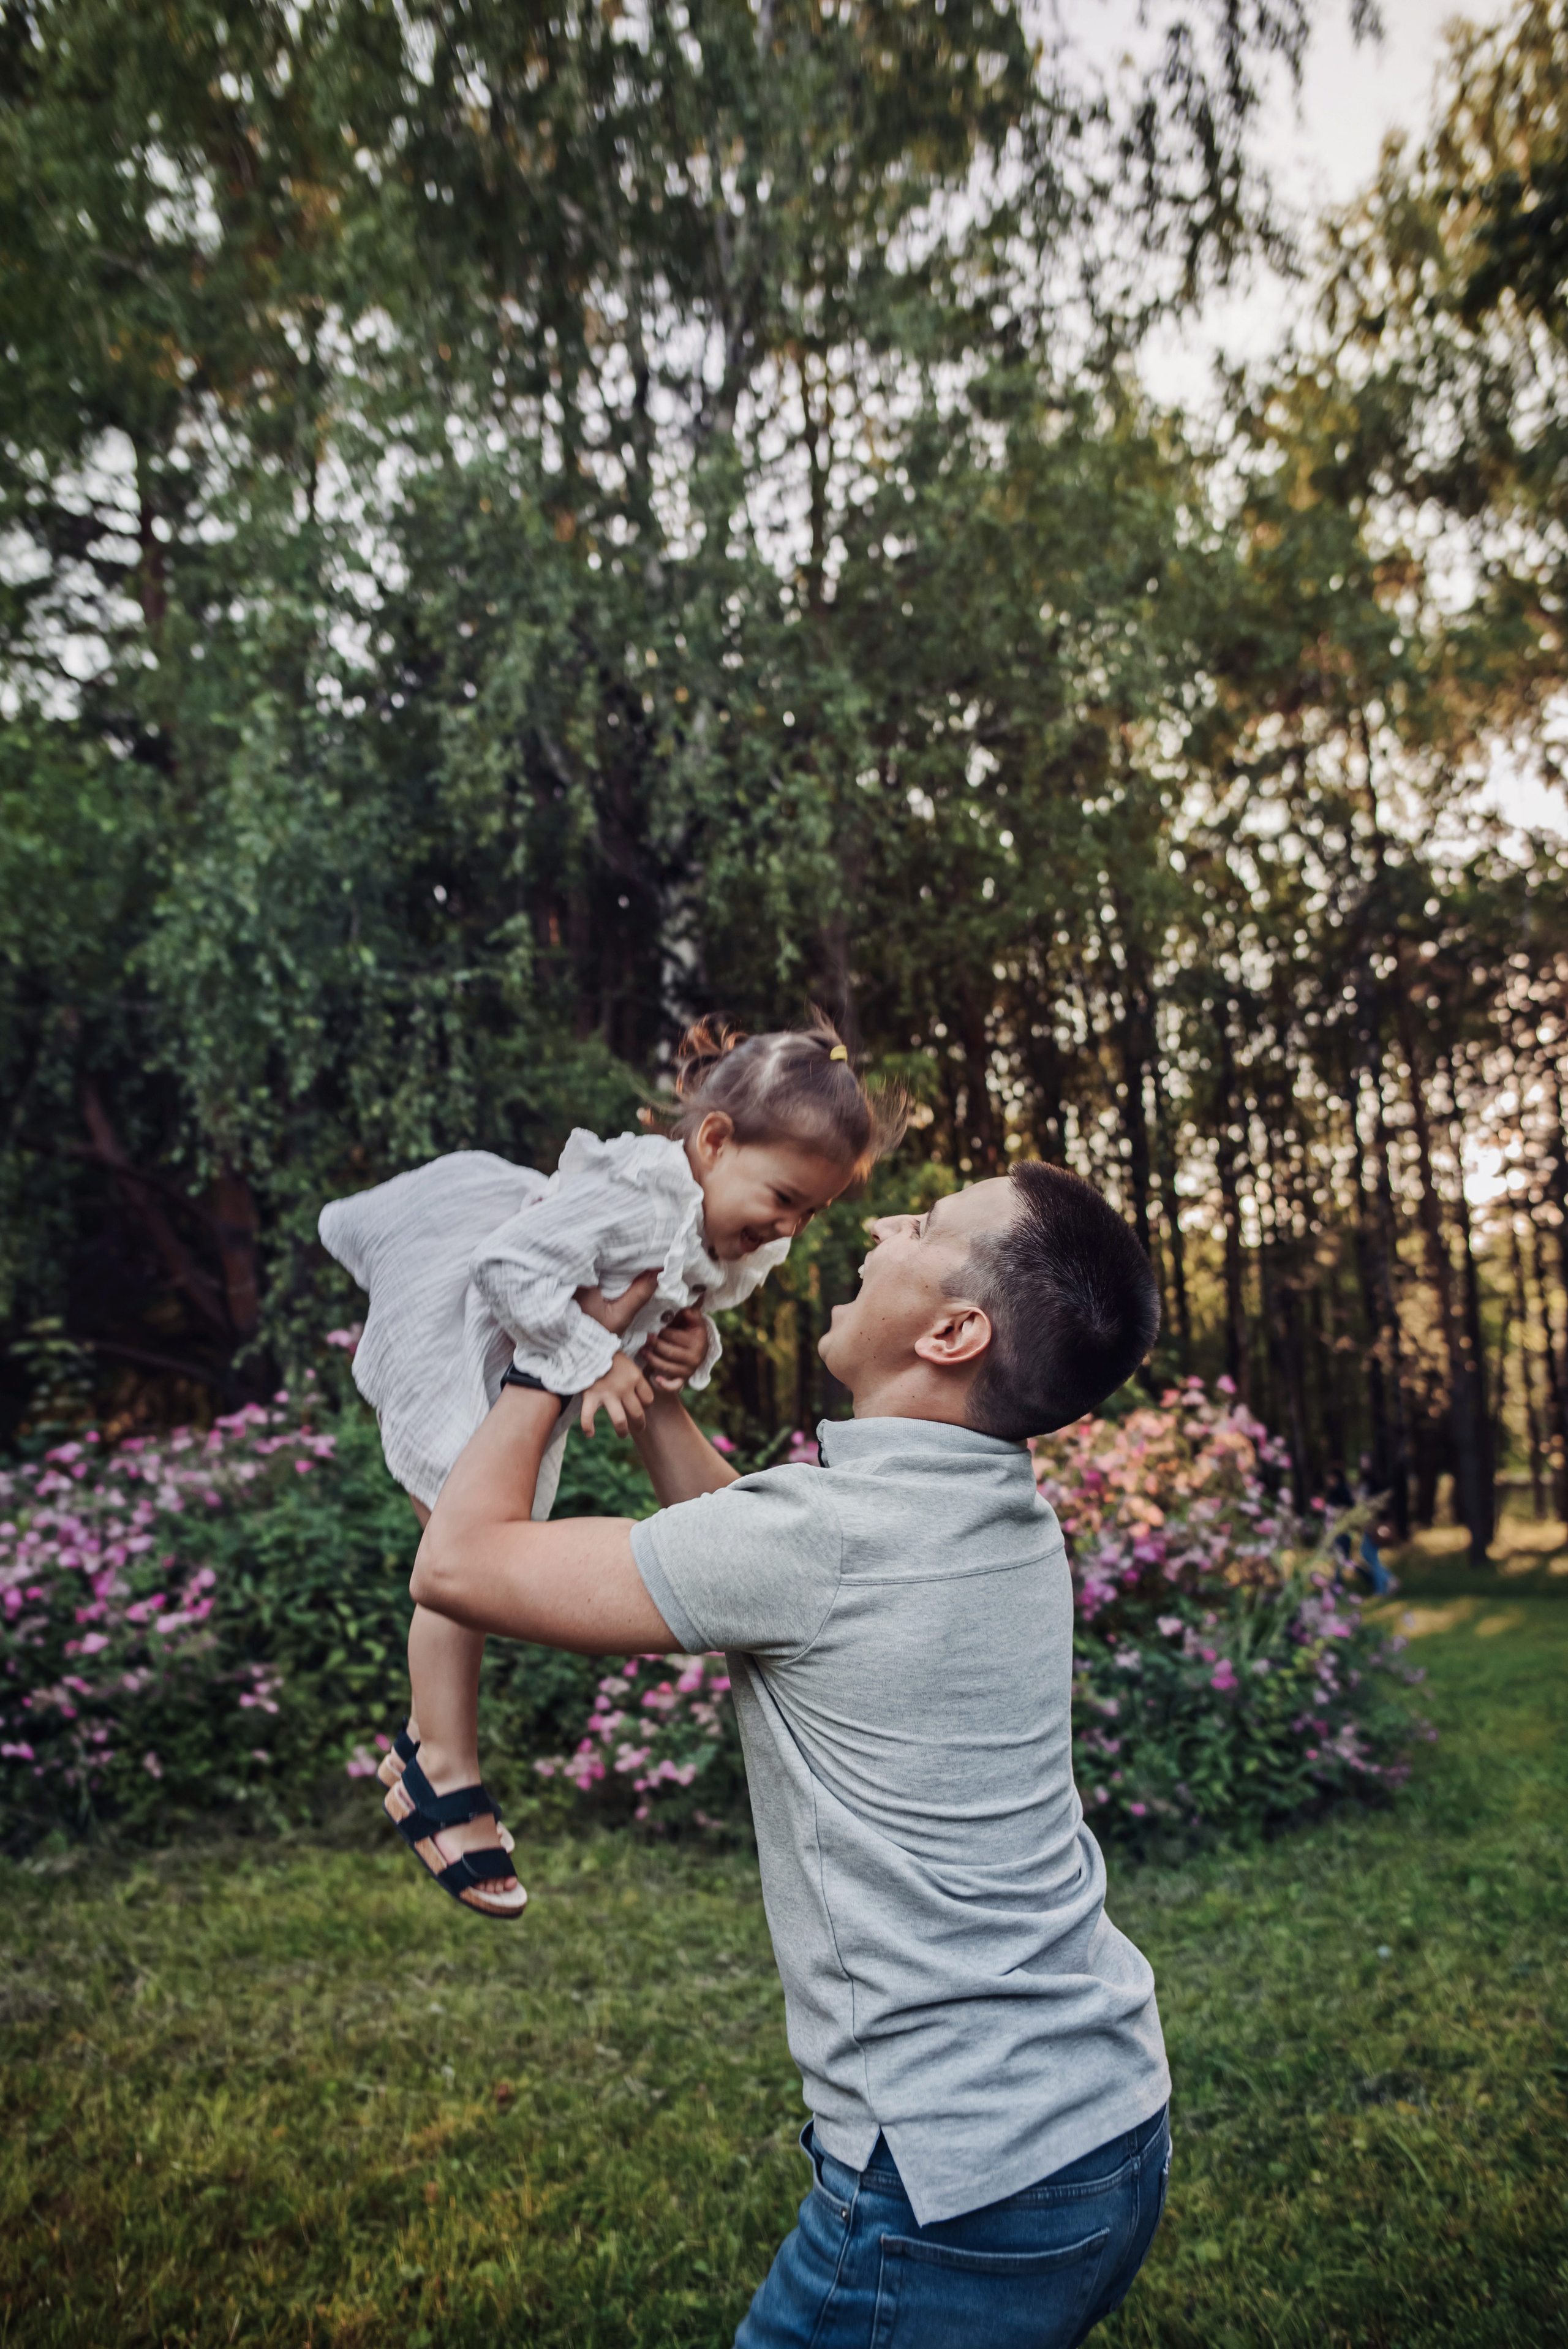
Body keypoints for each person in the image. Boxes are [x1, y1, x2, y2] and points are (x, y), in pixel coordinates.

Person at [410, 1159, 1172, 2347]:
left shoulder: (822, 1541)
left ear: (953, 1328)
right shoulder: (993, 1510)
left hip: (953, 2188)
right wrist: (659, 1402)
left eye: (919, 1225)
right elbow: (752, 1553)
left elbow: (457, 1566)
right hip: (1099, 2122)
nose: (877, 1225)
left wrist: (546, 1349)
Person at [318, 1015, 903, 1917]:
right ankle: (439, 1759)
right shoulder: (641, 1195)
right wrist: (595, 1355)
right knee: (456, 1546)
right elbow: (507, 1268)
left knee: (470, 1548)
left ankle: (438, 1753)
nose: (789, 1225)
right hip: (465, 1337)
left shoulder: (722, 1229)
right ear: (713, 1141)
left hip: (531, 1364)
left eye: (811, 1212)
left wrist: (687, 1346)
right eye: (784, 1195)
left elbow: (668, 1307)